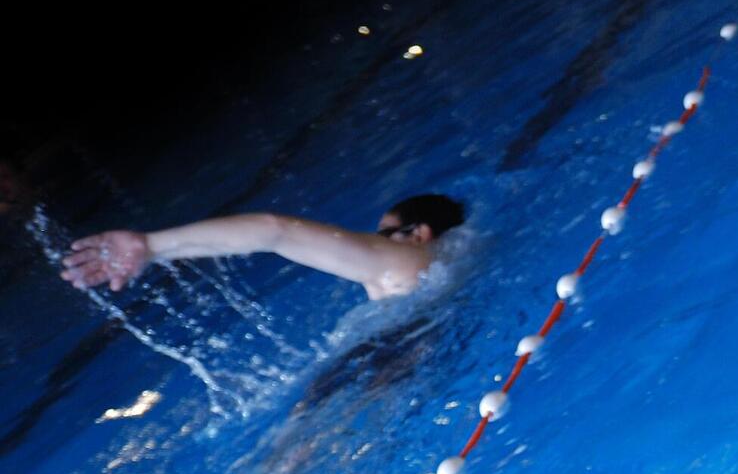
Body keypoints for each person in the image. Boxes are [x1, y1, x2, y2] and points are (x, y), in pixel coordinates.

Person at [60, 194, 465, 302]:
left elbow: (275, 231)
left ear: (419, 233)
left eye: (383, 233)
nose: (374, 241)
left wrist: (151, 244)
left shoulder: (404, 260)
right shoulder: (452, 269)